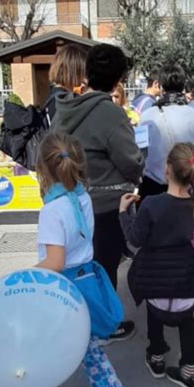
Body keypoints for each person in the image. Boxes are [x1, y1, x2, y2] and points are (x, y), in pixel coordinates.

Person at [11, 132, 147, 387]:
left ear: (42, 170)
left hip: (62, 292)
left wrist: (25, 276)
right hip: (85, 282)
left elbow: (55, 262)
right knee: (53, 348)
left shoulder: (52, 210)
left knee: (79, 356)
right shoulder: (82, 197)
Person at [52, 44, 144, 342]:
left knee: (75, 264)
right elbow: (130, 160)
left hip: (68, 202)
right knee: (103, 268)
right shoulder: (110, 113)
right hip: (104, 206)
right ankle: (104, 325)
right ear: (119, 78)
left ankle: (76, 318)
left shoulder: (63, 109)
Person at [119, 143, 194, 387]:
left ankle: (156, 357)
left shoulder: (151, 204)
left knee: (154, 313)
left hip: (155, 277)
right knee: (187, 321)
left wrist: (124, 213)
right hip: (186, 277)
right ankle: (189, 371)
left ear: (167, 170)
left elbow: (135, 238)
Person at [139, 64, 194, 198]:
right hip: (187, 188)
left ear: (161, 86)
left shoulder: (147, 116)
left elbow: (139, 153)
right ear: (183, 86)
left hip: (153, 188)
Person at [46, 45, 87, 121]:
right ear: (74, 72)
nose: (84, 77)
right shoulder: (67, 102)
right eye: (83, 72)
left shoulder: (53, 98)